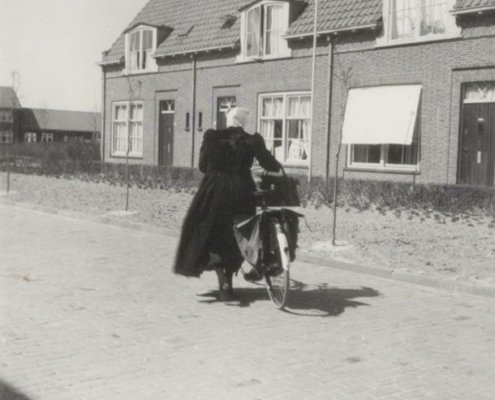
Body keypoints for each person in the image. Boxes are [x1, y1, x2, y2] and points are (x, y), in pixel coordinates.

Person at [173, 107, 281, 301]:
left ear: (228, 120)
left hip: (214, 190)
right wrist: (279, 169)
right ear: (243, 122)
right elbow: (268, 163)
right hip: (242, 191)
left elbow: (203, 166)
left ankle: (223, 282)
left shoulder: (212, 137)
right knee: (239, 233)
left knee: (204, 228)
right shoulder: (252, 139)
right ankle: (244, 269)